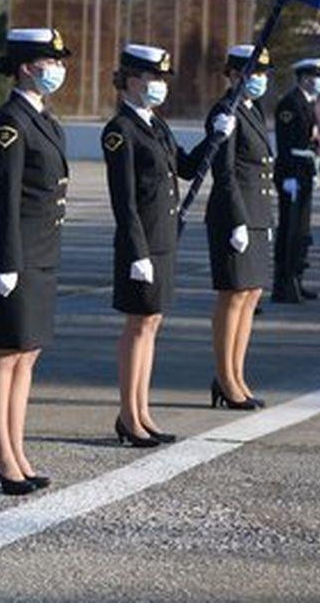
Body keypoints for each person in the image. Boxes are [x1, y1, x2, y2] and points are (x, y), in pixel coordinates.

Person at [0, 28, 70, 495]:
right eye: (51, 60)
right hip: (15, 252)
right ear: (27, 66)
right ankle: (1, 456)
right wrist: (6, 261)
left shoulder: (44, 118)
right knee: (2, 356)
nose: (58, 69)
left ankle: (16, 450)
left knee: (27, 355)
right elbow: (4, 199)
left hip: (42, 250)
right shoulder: (10, 122)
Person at [102, 44, 211, 447]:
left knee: (152, 325)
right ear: (131, 79)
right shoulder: (120, 131)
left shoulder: (156, 124)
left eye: (163, 79)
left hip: (164, 240)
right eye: (153, 78)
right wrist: (137, 253)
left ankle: (141, 411)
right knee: (138, 326)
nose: (160, 85)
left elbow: (185, 169)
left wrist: (212, 139)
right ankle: (129, 417)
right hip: (141, 245)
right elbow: (124, 200)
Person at [203, 45, 273, 410]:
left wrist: (263, 219)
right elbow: (225, 171)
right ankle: (225, 378)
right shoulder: (224, 110)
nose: (259, 79)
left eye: (263, 72)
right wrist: (238, 220)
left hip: (257, 214)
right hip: (235, 215)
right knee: (233, 296)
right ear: (232, 74)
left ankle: (236, 374)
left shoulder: (252, 109)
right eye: (251, 72)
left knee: (250, 297)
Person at [272, 58, 320, 303]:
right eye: (316, 76)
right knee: (290, 228)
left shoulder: (309, 103)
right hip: (292, 172)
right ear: (305, 78)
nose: (319, 81)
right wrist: (290, 176)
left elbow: (311, 139)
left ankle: (297, 278)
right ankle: (284, 282)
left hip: (304, 170)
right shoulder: (290, 104)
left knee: (301, 229)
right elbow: (286, 144)